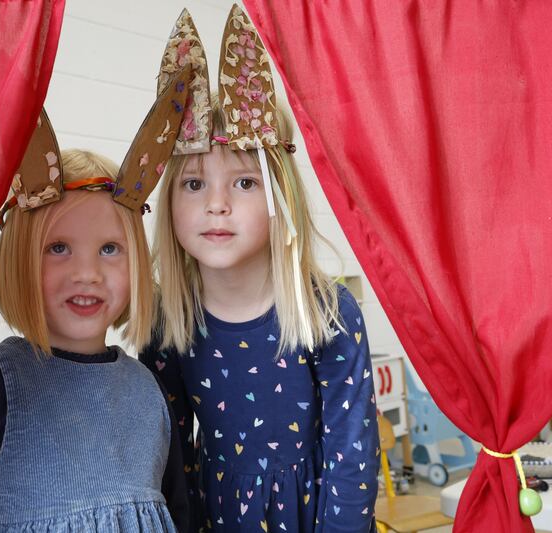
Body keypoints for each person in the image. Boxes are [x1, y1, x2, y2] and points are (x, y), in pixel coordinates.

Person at [0, 101, 191, 532]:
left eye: (109, 249)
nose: (87, 274)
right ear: (19, 259)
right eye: (59, 248)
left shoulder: (149, 393)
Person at [140, 7, 379, 531]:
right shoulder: (167, 322)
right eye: (194, 183)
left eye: (244, 183)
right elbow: (170, 460)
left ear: (280, 197)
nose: (217, 205)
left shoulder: (327, 313)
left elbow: (353, 460)